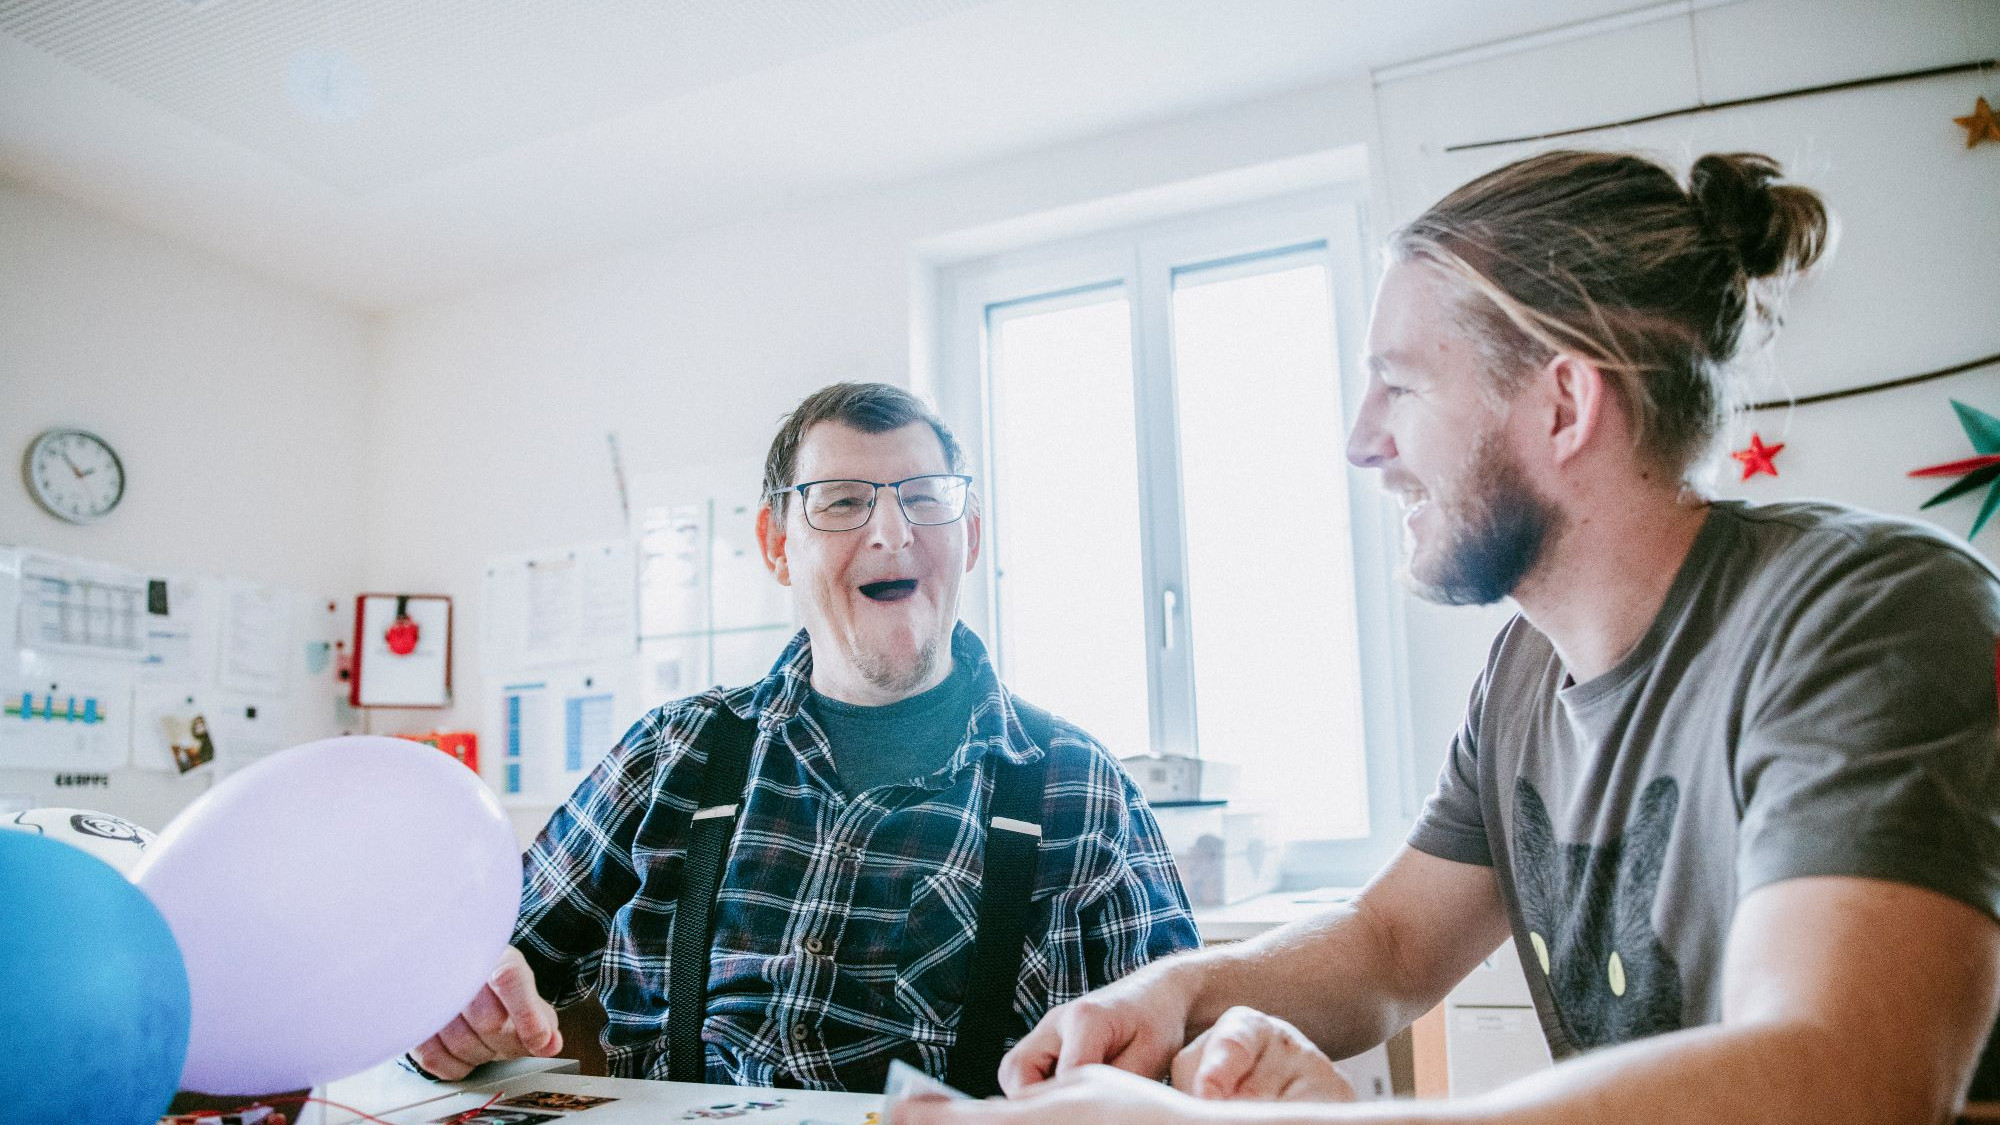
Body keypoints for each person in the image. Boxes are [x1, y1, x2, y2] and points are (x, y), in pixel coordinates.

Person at [898, 150, 2000, 1125]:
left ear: (1563, 406)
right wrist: (1172, 992)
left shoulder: (1870, 611)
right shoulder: (1524, 671)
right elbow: (1391, 948)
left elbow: (1847, 1078)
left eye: (1397, 385)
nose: (1358, 442)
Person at [409, 381, 1198, 1092]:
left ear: (973, 537)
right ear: (777, 544)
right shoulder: (669, 756)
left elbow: (1178, 1055)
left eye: (925, 498)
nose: (892, 531)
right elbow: (472, 973)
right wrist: (451, 1013)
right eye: (843, 501)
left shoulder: (1079, 787)